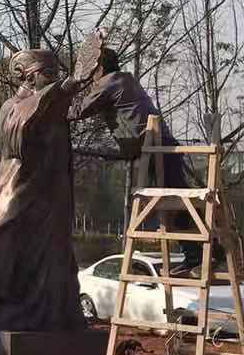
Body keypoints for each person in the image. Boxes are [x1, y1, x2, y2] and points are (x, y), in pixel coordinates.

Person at [0, 48, 97, 334]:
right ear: (27, 77)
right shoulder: (12, 106)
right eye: (47, 74)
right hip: (20, 194)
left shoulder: (53, 109)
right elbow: (19, 137)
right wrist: (66, 86)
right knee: (8, 249)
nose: (53, 80)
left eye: (56, 75)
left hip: (51, 198)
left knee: (54, 256)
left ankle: (55, 314)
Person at [70, 47, 207, 272]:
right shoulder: (125, 79)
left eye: (92, 69)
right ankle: (206, 250)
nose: (90, 74)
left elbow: (77, 112)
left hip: (154, 148)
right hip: (160, 145)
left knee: (178, 202)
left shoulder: (109, 83)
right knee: (180, 199)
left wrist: (67, 90)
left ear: (100, 68)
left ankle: (198, 252)